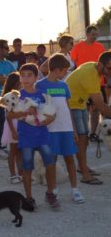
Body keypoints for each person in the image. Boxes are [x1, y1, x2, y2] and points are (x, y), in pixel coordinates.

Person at [7, 63, 58, 209]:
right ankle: (28, 198)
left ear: (36, 77)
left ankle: (50, 193)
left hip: (42, 134)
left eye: (29, 75)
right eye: (23, 75)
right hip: (26, 136)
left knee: (50, 163)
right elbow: (9, 115)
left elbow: (51, 112)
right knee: (27, 167)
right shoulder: (16, 95)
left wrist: (51, 119)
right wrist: (24, 113)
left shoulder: (42, 94)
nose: (26, 78)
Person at [36, 54, 84, 203]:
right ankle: (53, 190)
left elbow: (67, 107)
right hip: (50, 129)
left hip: (66, 128)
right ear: (56, 70)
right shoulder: (40, 85)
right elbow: (38, 108)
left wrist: (74, 129)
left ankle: (75, 189)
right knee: (52, 161)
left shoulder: (64, 85)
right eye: (65, 70)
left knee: (70, 158)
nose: (66, 74)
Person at [65, 51, 111, 185]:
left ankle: (82, 167)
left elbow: (101, 100)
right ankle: (85, 174)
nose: (110, 71)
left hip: (79, 104)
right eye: (109, 68)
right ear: (101, 64)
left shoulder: (93, 67)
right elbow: (102, 107)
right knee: (81, 139)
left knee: (84, 140)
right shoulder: (90, 75)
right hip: (72, 106)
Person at [70, 25, 106, 141]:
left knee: (96, 109)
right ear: (87, 34)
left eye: (96, 34)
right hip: (82, 85)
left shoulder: (100, 47)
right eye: (92, 34)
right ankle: (82, 132)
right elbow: (73, 63)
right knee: (84, 107)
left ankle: (93, 133)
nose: (95, 37)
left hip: (98, 82)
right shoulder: (78, 47)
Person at [1, 72, 23, 184]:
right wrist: (13, 131)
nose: (22, 84)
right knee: (13, 151)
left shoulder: (19, 96)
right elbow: (8, 117)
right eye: (19, 83)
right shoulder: (9, 98)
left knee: (20, 151)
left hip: (20, 125)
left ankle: (20, 173)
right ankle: (12, 175)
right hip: (13, 127)